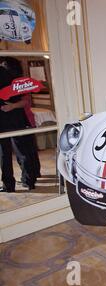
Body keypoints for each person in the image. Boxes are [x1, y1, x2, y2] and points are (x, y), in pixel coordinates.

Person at [0, 57, 38, 192]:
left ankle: (9, 185)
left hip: (5, 117)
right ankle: (29, 181)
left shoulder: (8, 77)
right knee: (22, 151)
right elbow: (25, 100)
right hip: (17, 118)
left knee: (5, 154)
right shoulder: (17, 79)